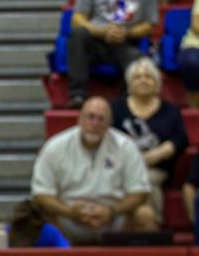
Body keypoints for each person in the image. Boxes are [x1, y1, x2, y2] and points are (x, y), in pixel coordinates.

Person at [31, 97, 154, 243]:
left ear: (109, 124)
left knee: (145, 214)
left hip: (114, 220)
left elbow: (140, 192)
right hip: (67, 219)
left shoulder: (126, 146)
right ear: (79, 119)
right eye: (90, 117)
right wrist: (69, 212)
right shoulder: (55, 147)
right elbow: (41, 193)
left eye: (101, 119)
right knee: (39, 213)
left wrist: (112, 211)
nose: (95, 123)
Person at [66, 0, 158, 109]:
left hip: (125, 42)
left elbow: (149, 25)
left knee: (139, 60)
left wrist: (126, 33)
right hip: (95, 39)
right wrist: (101, 31)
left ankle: (122, 104)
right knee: (78, 35)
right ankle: (77, 94)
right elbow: (77, 18)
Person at [111, 56, 187, 224]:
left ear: (157, 83)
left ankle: (151, 227)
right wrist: (135, 160)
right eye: (137, 77)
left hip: (158, 168)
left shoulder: (170, 111)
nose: (143, 80)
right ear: (129, 83)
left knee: (146, 179)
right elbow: (109, 139)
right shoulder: (116, 109)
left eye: (148, 77)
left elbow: (181, 139)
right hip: (122, 167)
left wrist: (162, 152)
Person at [0, 198, 71, 248]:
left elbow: (67, 255)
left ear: (36, 237)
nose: (21, 244)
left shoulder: (48, 233)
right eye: (18, 236)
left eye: (25, 238)